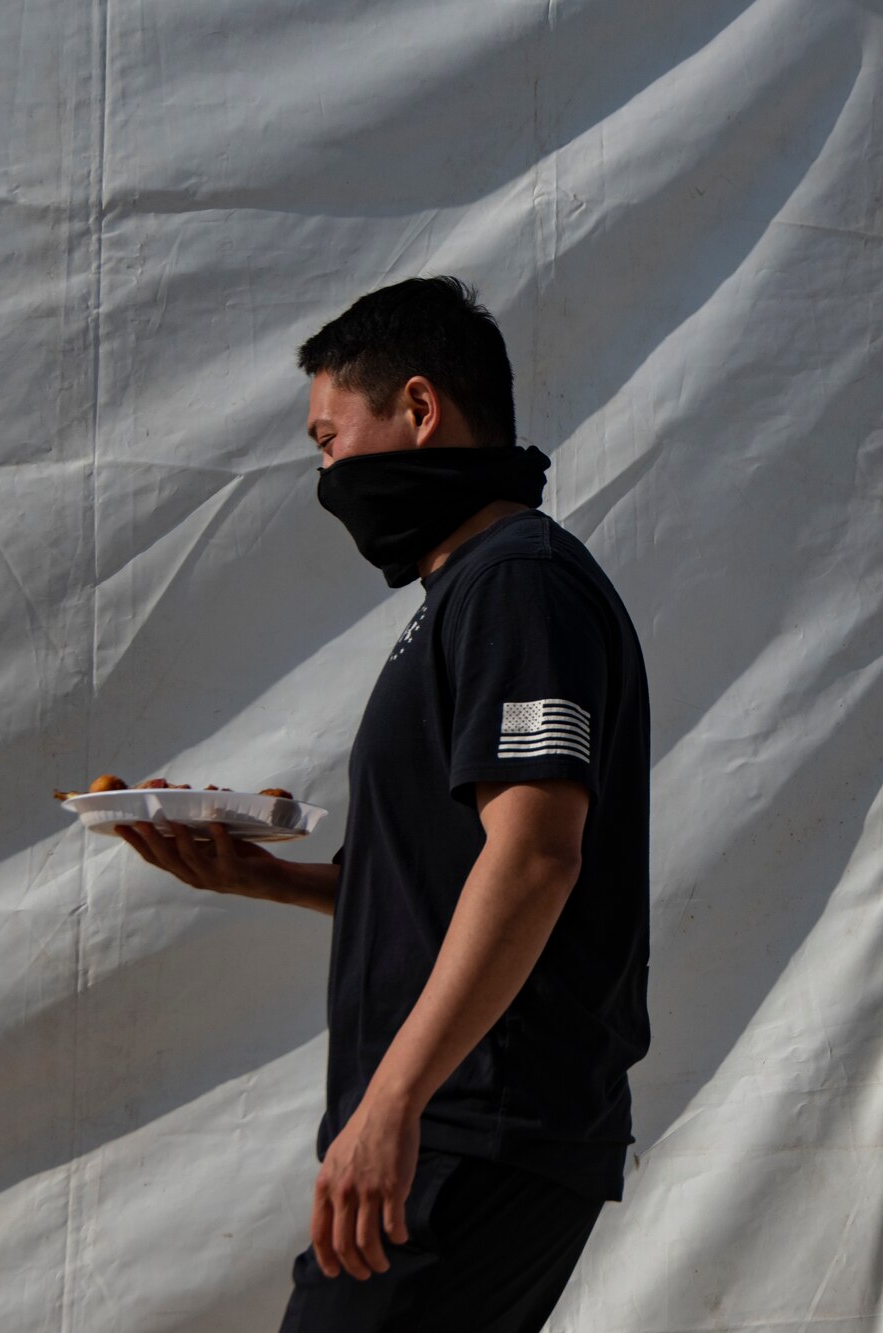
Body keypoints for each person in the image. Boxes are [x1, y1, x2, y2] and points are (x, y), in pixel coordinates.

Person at [119, 276, 651, 1333]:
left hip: (479, 1114)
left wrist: (392, 1101)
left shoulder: (518, 584)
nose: (324, 475)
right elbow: (457, 877)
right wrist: (268, 875)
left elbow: (539, 856)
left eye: (328, 438)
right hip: (466, 1115)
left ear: (417, 409)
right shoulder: (467, 595)